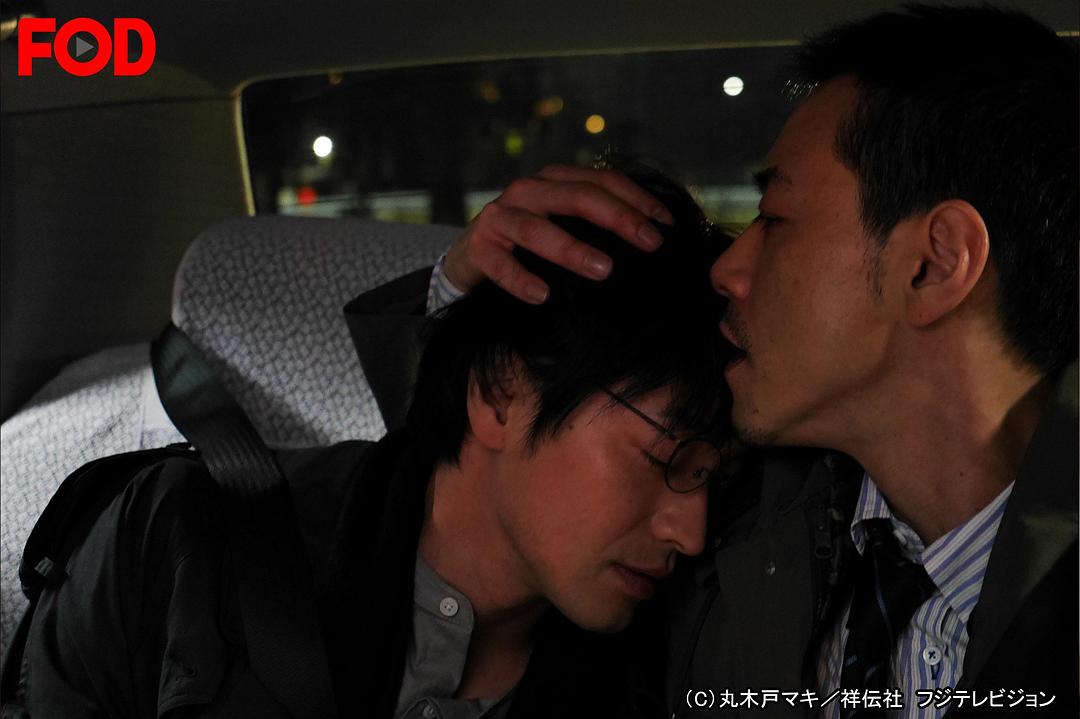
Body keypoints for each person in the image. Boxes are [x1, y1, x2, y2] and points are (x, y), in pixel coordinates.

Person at [349, 5, 1078, 717]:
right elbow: (491, 468)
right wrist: (465, 296)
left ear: (935, 263)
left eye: (776, 218)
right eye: (675, 465)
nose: (730, 268)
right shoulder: (756, 516)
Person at [24, 166, 739, 718]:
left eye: (711, 475)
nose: (690, 531)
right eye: (663, 459)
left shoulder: (676, 666)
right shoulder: (179, 538)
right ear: (498, 394)